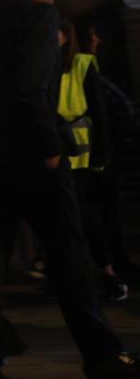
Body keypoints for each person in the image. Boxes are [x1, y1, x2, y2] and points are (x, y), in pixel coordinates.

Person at [0, 0, 139, 379]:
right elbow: (28, 88)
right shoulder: (40, 18)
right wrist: (50, 149)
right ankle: (101, 356)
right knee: (69, 257)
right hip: (33, 160)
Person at [59, 21, 128, 302]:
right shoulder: (42, 65)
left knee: (87, 218)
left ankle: (105, 272)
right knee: (71, 221)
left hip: (82, 157)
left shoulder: (82, 64)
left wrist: (101, 154)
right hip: (60, 155)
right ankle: (86, 275)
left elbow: (99, 111)